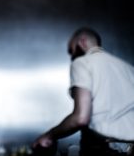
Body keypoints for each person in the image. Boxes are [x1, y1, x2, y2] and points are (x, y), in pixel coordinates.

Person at [32, 27, 134, 156]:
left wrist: (49, 136)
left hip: (103, 148)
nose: (72, 56)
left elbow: (81, 118)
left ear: (82, 41)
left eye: (72, 50)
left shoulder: (83, 62)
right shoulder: (128, 69)